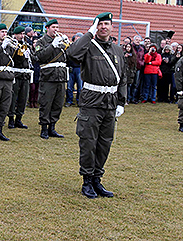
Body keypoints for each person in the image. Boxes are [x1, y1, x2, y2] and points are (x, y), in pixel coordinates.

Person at [67, 12, 125, 199]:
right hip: (92, 102)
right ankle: (87, 181)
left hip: (110, 104)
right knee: (88, 142)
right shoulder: (88, 46)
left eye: (107, 24)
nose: (104, 27)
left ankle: (97, 179)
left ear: (112, 27)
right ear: (95, 26)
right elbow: (72, 54)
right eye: (100, 24)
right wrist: (89, 33)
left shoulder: (117, 50)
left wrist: (121, 102)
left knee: (104, 143)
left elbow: (123, 79)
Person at [35, 19, 68, 139]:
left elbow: (69, 57)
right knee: (46, 103)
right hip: (48, 77)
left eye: (57, 27)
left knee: (58, 104)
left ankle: (52, 127)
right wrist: (53, 45)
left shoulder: (60, 40)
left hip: (60, 77)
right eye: (53, 27)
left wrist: (67, 44)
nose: (56, 30)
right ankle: (44, 128)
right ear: (47, 28)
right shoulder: (41, 41)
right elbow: (39, 56)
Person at [7, 26, 32, 130]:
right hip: (16, 75)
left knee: (23, 98)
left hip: (25, 75)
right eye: (20, 34)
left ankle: (19, 119)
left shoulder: (26, 45)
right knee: (13, 98)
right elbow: (14, 59)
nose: (22, 36)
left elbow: (34, 58)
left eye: (23, 34)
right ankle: (11, 119)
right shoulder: (12, 45)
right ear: (15, 34)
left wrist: (29, 54)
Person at [65, 33, 83, 107]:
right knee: (69, 86)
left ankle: (79, 101)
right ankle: (69, 101)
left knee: (80, 87)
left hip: (79, 68)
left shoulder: (83, 48)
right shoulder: (69, 47)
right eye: (76, 38)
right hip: (71, 68)